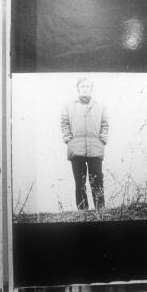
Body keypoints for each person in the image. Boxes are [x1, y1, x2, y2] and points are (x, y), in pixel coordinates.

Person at [61, 78, 109, 211]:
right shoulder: (69, 106)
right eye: (82, 86)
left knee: (97, 179)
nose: (85, 89)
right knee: (79, 181)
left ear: (91, 89)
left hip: (95, 148)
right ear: (78, 89)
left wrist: (102, 140)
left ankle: (100, 210)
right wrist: (68, 139)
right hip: (76, 148)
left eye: (88, 86)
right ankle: (82, 211)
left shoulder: (100, 106)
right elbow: (64, 123)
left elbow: (105, 125)